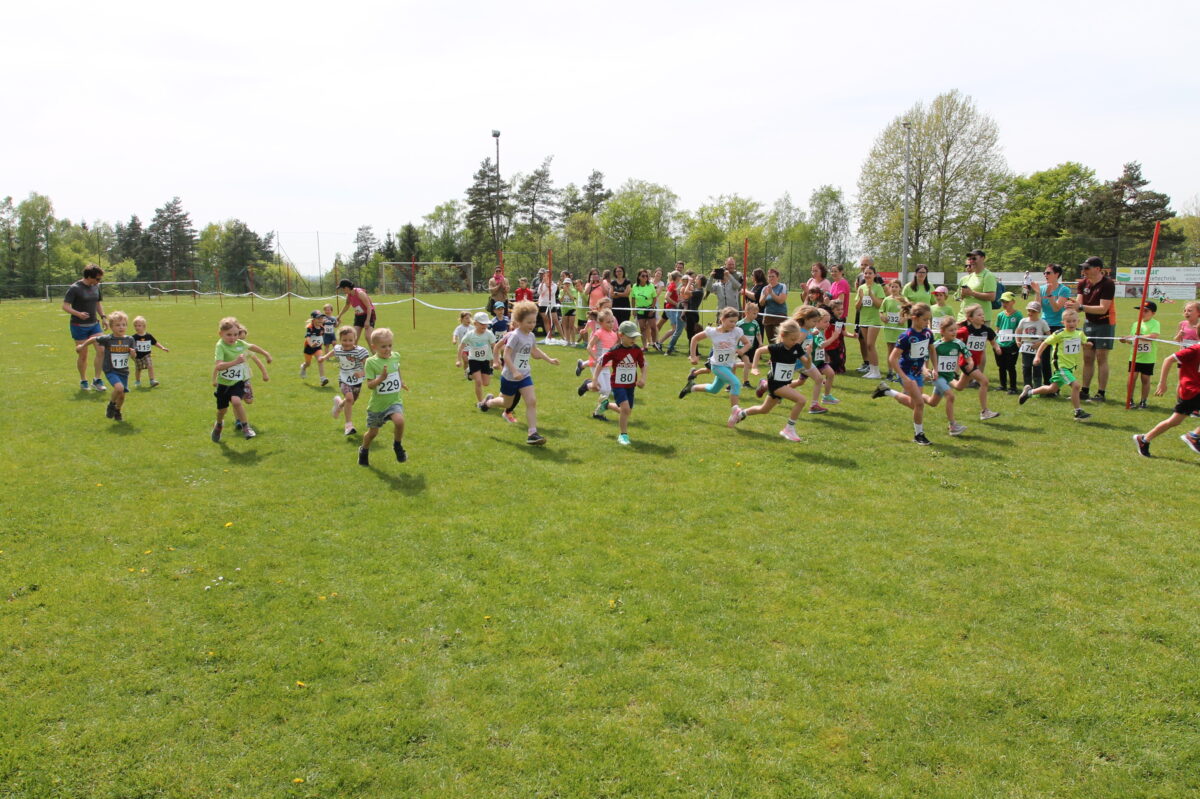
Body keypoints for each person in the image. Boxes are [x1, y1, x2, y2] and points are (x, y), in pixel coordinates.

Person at [479, 301, 559, 445]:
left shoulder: (531, 336)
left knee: (531, 401)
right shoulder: (515, 336)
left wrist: (549, 359)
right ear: (519, 321)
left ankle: (532, 433)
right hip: (510, 376)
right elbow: (507, 355)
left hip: (525, 375)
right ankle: (488, 402)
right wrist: (514, 371)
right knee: (505, 403)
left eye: (534, 321)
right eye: (529, 322)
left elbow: (535, 352)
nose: (532, 325)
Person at [871, 302, 935, 445]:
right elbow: (892, 359)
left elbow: (931, 351)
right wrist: (905, 378)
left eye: (929, 319)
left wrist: (932, 368)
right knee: (919, 404)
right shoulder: (906, 336)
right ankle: (919, 435)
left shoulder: (928, 333)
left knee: (915, 405)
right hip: (905, 373)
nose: (927, 322)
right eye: (925, 319)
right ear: (914, 318)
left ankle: (887, 391)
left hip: (917, 373)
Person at [738, 319, 811, 441]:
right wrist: (754, 367)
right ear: (783, 336)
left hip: (784, 384)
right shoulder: (777, 348)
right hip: (776, 385)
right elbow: (759, 350)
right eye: (792, 339)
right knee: (801, 400)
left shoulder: (797, 347)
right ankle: (789, 429)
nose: (795, 342)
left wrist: (809, 355)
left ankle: (741, 413)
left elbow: (807, 366)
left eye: (797, 339)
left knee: (764, 409)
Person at [680, 307, 751, 429]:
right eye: (731, 321)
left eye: (735, 321)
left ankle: (692, 387)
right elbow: (694, 338)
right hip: (717, 366)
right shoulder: (712, 332)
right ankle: (735, 413)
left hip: (728, 366)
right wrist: (693, 356)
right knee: (736, 383)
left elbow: (748, 343)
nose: (733, 324)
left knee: (714, 389)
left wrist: (742, 350)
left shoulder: (737, 331)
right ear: (722, 319)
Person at [1020, 309, 1091, 420]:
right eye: (1068, 321)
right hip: (1061, 366)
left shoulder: (1080, 333)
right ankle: (1078, 411)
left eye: (1073, 321)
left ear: (1078, 321)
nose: (1071, 323)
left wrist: (1088, 344)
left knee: (1052, 389)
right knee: (1076, 386)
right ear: (1063, 322)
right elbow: (1045, 343)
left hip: (1071, 366)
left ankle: (1029, 392)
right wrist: (1037, 356)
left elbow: (1084, 343)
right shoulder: (1059, 334)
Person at [1132, 341, 1200, 457]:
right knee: (1174, 421)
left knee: (1174, 421)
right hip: (1191, 390)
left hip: (1195, 391)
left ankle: (1144, 439)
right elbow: (1168, 359)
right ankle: (1193, 436)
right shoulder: (1195, 349)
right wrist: (1162, 382)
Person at [211, 316, 271, 442]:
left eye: (236, 334)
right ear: (220, 334)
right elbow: (219, 366)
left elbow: (252, 346)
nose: (233, 338)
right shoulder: (220, 346)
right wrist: (236, 361)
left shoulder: (240, 343)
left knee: (237, 401)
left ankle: (245, 427)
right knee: (222, 410)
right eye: (229, 335)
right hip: (224, 383)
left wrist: (266, 354)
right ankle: (219, 424)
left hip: (238, 382)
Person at [359, 327, 409, 465]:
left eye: (390, 345)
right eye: (383, 347)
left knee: (399, 421)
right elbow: (370, 385)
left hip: (394, 401)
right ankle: (364, 450)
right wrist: (381, 378)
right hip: (377, 405)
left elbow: (396, 367)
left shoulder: (395, 356)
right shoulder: (371, 362)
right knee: (373, 433)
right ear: (374, 347)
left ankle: (397, 446)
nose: (388, 349)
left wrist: (401, 382)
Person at [76, 310, 134, 422]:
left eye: (123, 325)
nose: (121, 327)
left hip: (123, 372)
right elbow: (93, 339)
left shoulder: (129, 340)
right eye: (117, 325)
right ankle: (111, 405)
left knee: (121, 396)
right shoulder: (108, 339)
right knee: (119, 388)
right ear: (111, 327)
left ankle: (117, 411)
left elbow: (134, 355)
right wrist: (82, 346)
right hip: (111, 370)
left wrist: (133, 354)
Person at [596, 321, 647, 445]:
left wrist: (643, 379)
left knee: (627, 411)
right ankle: (623, 435)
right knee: (625, 409)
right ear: (621, 335)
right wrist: (594, 380)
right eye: (630, 336)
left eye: (635, 337)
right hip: (617, 384)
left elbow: (643, 365)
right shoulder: (615, 350)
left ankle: (606, 404)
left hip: (630, 385)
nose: (633, 339)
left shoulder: (637, 350)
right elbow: (600, 363)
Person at [1074, 256, 1116, 403]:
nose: (1083, 270)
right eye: (1083, 268)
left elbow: (1103, 309)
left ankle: (1100, 393)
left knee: (1101, 358)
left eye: (1086, 268)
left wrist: (1080, 307)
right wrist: (1072, 307)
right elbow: (1078, 305)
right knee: (1087, 357)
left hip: (1105, 323)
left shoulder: (1108, 284)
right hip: (1089, 323)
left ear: (1097, 269)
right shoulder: (1082, 283)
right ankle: (1084, 391)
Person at [62, 264, 108, 391]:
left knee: (102, 350)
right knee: (83, 354)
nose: (98, 282)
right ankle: (83, 380)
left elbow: (97, 303)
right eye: (97, 279)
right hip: (79, 326)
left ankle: (97, 380)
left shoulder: (96, 287)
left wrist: (103, 317)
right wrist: (78, 314)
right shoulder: (75, 288)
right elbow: (65, 306)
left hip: (94, 325)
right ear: (89, 277)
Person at [321, 325, 371, 435]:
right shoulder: (339, 348)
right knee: (349, 398)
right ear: (340, 339)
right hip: (343, 379)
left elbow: (368, 365)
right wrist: (324, 357)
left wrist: (362, 373)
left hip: (357, 381)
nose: (347, 343)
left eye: (350, 340)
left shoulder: (360, 351)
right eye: (344, 340)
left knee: (351, 401)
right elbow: (334, 351)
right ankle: (348, 426)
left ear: (355, 339)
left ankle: (339, 406)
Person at [955, 304, 1002, 420]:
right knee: (984, 381)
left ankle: (946, 377)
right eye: (979, 315)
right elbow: (951, 336)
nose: (982, 317)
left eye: (983, 314)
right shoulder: (965, 330)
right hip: (966, 363)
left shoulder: (986, 330)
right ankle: (984, 411)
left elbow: (992, 341)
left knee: (959, 387)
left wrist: (996, 347)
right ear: (970, 318)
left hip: (975, 363)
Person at [927, 316, 970, 436]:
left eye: (955, 329)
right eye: (951, 330)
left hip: (948, 377)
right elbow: (925, 359)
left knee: (932, 402)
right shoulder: (936, 345)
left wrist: (970, 363)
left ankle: (916, 397)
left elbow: (967, 355)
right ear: (942, 332)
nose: (954, 332)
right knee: (950, 396)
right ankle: (953, 426)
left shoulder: (958, 343)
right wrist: (927, 370)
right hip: (938, 377)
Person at [577, 309, 620, 419]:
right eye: (608, 322)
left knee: (608, 390)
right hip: (596, 365)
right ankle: (587, 384)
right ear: (600, 323)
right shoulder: (599, 333)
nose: (611, 324)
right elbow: (589, 347)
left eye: (612, 321)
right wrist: (596, 358)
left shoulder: (614, 335)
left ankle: (598, 413)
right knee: (603, 389)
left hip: (606, 366)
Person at [1120, 302, 1160, 409]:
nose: (1142, 313)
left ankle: (1143, 401)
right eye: (1141, 310)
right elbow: (1132, 340)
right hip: (1134, 357)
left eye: (1146, 311)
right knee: (1132, 378)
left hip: (1148, 358)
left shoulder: (1155, 323)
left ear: (1153, 313)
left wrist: (1138, 336)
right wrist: (1125, 340)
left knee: (1145, 379)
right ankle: (1130, 399)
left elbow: (1154, 336)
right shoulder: (1135, 324)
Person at [854, 263, 886, 380]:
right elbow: (857, 307)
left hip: (874, 320)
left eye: (870, 273)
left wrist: (872, 295)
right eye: (865, 273)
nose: (867, 275)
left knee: (870, 344)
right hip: (864, 319)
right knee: (868, 346)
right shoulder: (861, 288)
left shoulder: (878, 288)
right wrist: (862, 298)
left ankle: (876, 371)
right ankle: (871, 370)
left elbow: (879, 305)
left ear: (875, 275)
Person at [956, 249, 998, 326]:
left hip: (980, 320)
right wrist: (963, 294)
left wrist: (972, 293)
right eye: (970, 259)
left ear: (983, 258)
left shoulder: (988, 276)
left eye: (974, 258)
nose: (971, 261)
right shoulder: (970, 277)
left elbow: (992, 297)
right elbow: (961, 298)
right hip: (964, 318)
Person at [1016, 301, 1050, 391]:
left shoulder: (1042, 322)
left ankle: (1037, 388)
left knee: (1037, 367)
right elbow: (1018, 332)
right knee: (1026, 367)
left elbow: (1048, 335)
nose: (1030, 313)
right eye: (1029, 311)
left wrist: (1040, 343)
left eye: (1033, 311)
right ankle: (1027, 386)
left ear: (1038, 312)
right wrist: (1017, 341)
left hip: (1038, 349)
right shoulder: (1023, 321)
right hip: (1025, 347)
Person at [335, 280, 377, 352]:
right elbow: (347, 306)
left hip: (368, 315)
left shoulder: (360, 293)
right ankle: (352, 356)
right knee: (354, 337)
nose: (342, 290)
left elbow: (369, 307)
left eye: (342, 288)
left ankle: (376, 356)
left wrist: (367, 320)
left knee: (368, 337)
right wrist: (339, 316)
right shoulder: (349, 295)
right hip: (359, 316)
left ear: (347, 287)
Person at [994, 292, 1023, 394]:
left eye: (1006, 301)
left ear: (1013, 302)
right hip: (1000, 344)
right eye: (1002, 301)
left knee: (1011, 366)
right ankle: (1003, 385)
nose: (1004, 304)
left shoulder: (1018, 315)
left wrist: (1018, 341)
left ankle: (1013, 387)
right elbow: (997, 329)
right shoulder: (1000, 315)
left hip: (1012, 345)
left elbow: (1020, 330)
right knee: (1001, 366)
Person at [130, 315, 169, 388]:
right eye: (135, 326)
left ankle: (152, 380)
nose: (137, 327)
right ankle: (137, 381)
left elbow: (155, 343)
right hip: (138, 356)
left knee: (150, 366)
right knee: (138, 369)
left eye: (139, 325)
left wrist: (162, 348)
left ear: (144, 326)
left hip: (147, 355)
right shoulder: (134, 337)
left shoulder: (148, 336)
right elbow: (130, 346)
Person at [880, 280, 905, 382]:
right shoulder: (886, 300)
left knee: (899, 352)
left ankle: (899, 373)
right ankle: (890, 372)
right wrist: (883, 317)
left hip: (900, 330)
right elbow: (881, 311)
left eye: (896, 287)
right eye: (892, 287)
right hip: (889, 329)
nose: (894, 289)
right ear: (889, 288)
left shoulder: (903, 300)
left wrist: (904, 318)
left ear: (900, 288)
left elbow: (908, 312)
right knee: (890, 351)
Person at [631, 269, 660, 351]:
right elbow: (633, 298)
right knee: (642, 328)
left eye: (646, 276)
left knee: (653, 327)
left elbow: (654, 298)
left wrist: (652, 308)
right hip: (640, 309)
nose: (645, 277)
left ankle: (654, 343)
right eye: (643, 276)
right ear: (639, 277)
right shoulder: (635, 286)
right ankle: (645, 346)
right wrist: (633, 310)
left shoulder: (650, 286)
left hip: (650, 308)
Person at [759, 268, 789, 345]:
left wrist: (771, 293)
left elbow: (781, 301)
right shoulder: (765, 288)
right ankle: (773, 356)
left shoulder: (782, 286)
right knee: (771, 340)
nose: (771, 278)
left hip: (779, 317)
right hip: (768, 317)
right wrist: (765, 295)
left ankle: (781, 356)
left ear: (777, 277)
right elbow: (761, 303)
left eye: (773, 276)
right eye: (769, 276)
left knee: (780, 340)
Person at [659, 269, 685, 353]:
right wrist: (676, 304)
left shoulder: (676, 285)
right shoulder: (672, 285)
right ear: (677, 277)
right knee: (675, 329)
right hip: (671, 309)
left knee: (676, 329)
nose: (681, 277)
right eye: (680, 275)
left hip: (674, 309)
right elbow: (666, 297)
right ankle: (659, 342)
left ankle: (671, 345)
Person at [737, 303, 763, 389]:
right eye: (754, 313)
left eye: (757, 313)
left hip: (750, 348)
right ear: (747, 313)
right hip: (742, 348)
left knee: (748, 364)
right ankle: (745, 382)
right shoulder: (740, 324)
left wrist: (760, 342)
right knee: (747, 363)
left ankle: (734, 365)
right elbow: (735, 335)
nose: (756, 315)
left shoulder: (755, 324)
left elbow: (758, 334)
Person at [300, 311, 329, 386]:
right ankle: (303, 367)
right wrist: (311, 344)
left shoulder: (322, 326)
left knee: (320, 360)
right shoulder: (310, 327)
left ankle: (323, 378)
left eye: (321, 318)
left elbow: (322, 335)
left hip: (318, 348)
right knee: (308, 363)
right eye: (318, 318)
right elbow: (308, 338)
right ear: (313, 319)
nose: (320, 320)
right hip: (309, 348)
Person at [684, 274, 707, 344]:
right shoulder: (697, 290)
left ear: (700, 281)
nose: (695, 279)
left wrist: (689, 282)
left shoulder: (699, 291)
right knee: (690, 334)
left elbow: (686, 292)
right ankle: (694, 352)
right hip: (690, 313)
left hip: (692, 314)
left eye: (696, 278)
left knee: (691, 334)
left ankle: (693, 353)